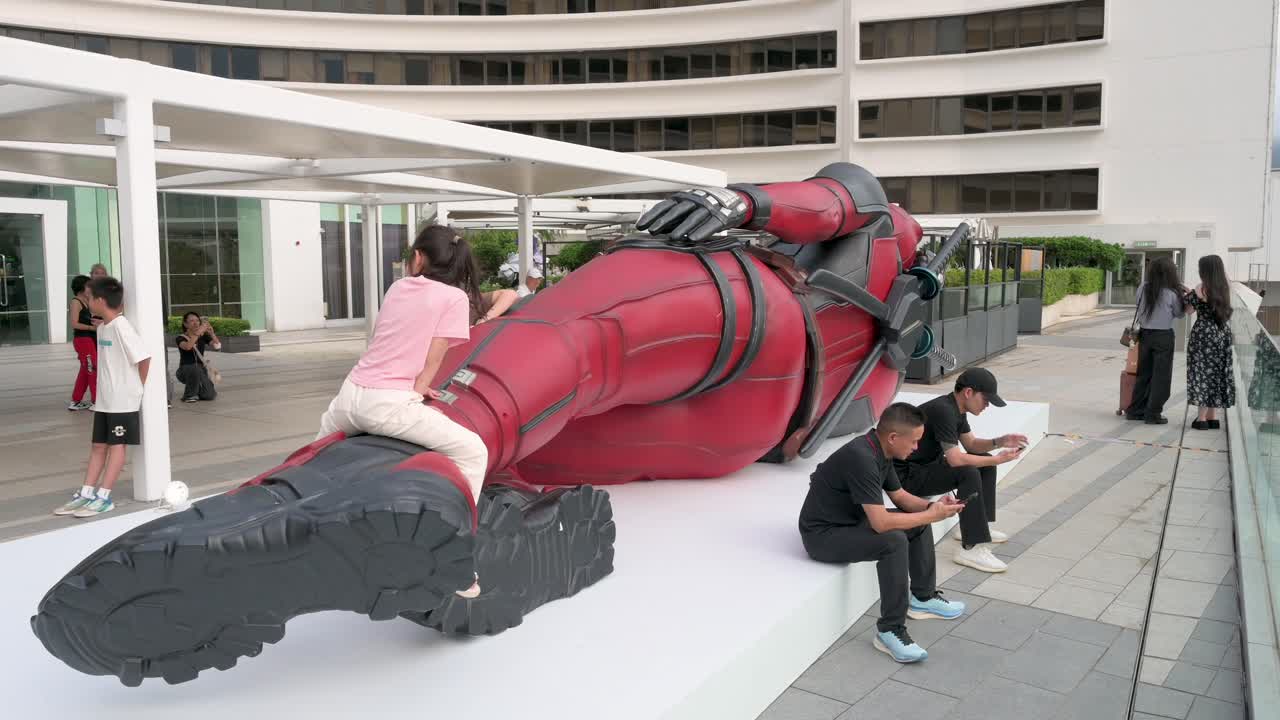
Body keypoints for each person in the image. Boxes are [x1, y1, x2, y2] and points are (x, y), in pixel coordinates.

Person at [316, 224, 489, 596]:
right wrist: (421, 389)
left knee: (312, 457)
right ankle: (457, 556)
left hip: (348, 397)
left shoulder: (398, 287)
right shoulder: (454, 298)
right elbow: (436, 352)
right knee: (474, 451)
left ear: (418, 258)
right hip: (387, 405)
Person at [799, 403, 967, 663]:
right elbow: (880, 524)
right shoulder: (861, 457)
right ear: (893, 437)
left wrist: (932, 507)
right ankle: (889, 630)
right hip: (823, 536)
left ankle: (922, 597)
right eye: (914, 441)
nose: (916, 448)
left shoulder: (882, 451)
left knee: (915, 521)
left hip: (851, 522)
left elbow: (900, 496)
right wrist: (929, 515)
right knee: (894, 540)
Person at [895, 368, 1027, 574]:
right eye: (985, 399)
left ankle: (978, 525)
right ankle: (971, 547)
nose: (987, 405)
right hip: (908, 476)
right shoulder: (943, 410)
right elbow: (956, 459)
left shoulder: (956, 409)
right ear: (968, 393)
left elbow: (972, 445)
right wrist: (1000, 458)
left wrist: (1000, 441)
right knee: (969, 472)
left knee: (985, 461)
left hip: (927, 466)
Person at [52, 276, 151, 518]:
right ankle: (86, 493)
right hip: (105, 401)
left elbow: (144, 358)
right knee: (98, 445)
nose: (87, 300)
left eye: (89, 296)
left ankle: (104, 497)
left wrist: (136, 389)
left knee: (117, 447)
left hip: (122, 400)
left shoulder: (121, 326)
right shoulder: (105, 326)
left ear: (100, 300)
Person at [1125, 257, 1187, 424]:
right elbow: (1180, 314)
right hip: (1163, 337)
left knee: (1143, 374)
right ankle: (1153, 413)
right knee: (1161, 376)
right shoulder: (1171, 293)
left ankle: (1135, 410)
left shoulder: (1143, 287)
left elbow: (1138, 305)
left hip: (1144, 335)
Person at [1183, 255, 1234, 430]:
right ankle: (1213, 418)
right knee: (1217, 374)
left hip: (1203, 335)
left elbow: (1188, 311)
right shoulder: (1226, 288)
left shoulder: (1200, 289)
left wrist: (1189, 293)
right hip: (1222, 333)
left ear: (1204, 270)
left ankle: (1202, 419)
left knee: (1201, 374)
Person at [66, 275, 98, 411]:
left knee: (86, 370)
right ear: (81, 287)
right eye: (88, 286)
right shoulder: (76, 302)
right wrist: (92, 328)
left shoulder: (85, 301)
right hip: (83, 340)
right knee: (93, 370)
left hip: (89, 340)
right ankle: (96, 401)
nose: (90, 288)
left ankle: (76, 400)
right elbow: (74, 323)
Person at [175, 312, 221, 402]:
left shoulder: (203, 337)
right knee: (194, 368)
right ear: (185, 324)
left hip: (200, 369)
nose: (196, 323)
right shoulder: (180, 338)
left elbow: (217, 346)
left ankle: (197, 390)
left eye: (197, 320)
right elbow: (188, 347)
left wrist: (212, 334)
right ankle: (189, 396)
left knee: (209, 395)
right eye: (192, 321)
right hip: (185, 370)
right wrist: (197, 334)